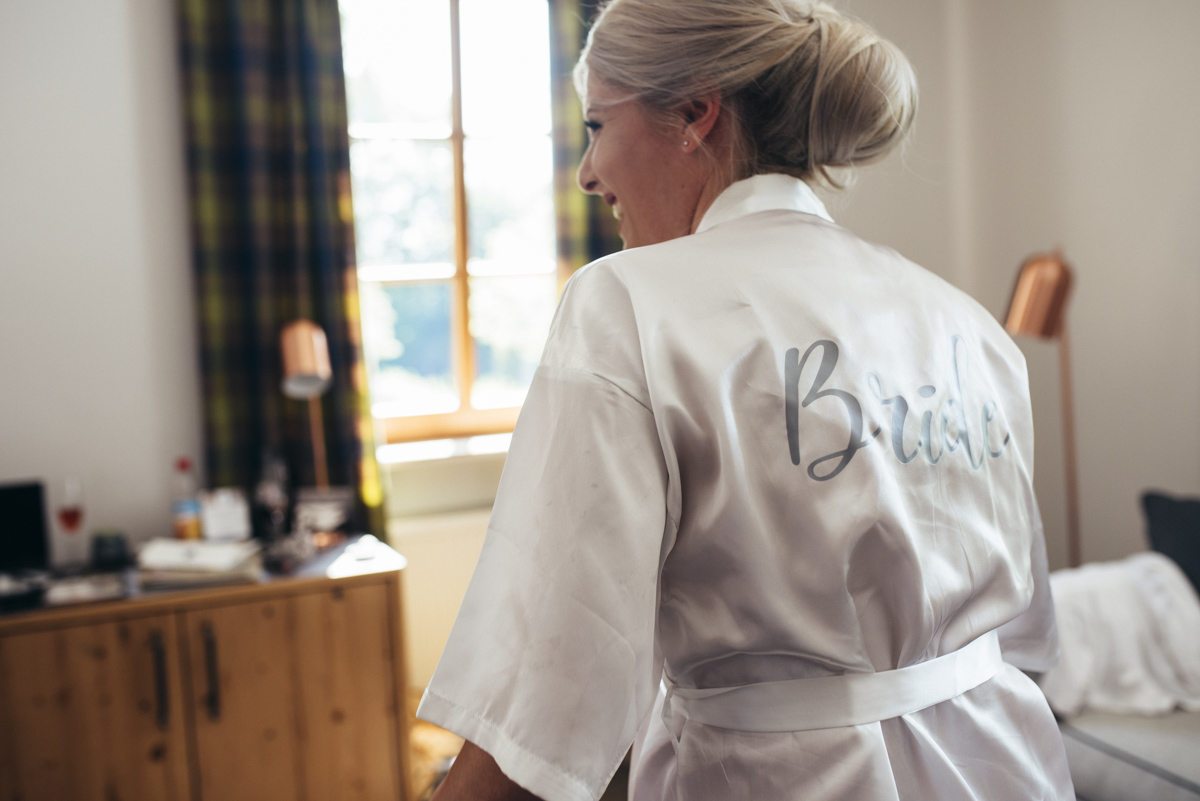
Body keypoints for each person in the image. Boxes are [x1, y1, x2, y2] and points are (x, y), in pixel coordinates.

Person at [419, 0, 1074, 799]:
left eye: (596, 126)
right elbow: (1028, 634)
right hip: (1004, 765)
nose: (588, 173)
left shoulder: (627, 304)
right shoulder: (964, 322)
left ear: (695, 112)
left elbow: (549, 695)